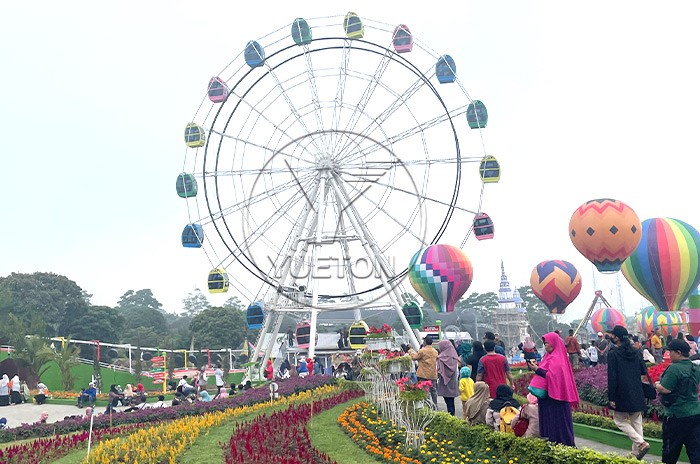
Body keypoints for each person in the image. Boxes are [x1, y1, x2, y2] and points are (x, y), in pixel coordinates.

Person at [606, 325, 651, 460]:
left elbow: (612, 376)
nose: (611, 337)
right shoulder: (636, 352)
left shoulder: (613, 353)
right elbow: (644, 371)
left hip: (622, 392)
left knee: (619, 420)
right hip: (637, 390)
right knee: (636, 421)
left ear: (617, 338)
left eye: (613, 335)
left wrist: (612, 396)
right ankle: (636, 454)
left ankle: (641, 443)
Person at [528, 332, 579, 446]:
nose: (545, 346)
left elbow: (552, 376)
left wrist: (537, 369)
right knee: (551, 422)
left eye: (547, 343)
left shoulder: (557, 359)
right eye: (544, 343)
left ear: (554, 343)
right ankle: (554, 442)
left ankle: (564, 444)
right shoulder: (548, 357)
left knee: (559, 422)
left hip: (557, 397)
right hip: (548, 397)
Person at [654, 339, 700, 464]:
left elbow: (666, 389)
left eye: (671, 352)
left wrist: (657, 385)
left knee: (671, 452)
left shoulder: (674, 368)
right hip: (695, 414)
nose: (669, 355)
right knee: (695, 451)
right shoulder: (695, 367)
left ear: (678, 353)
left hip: (676, 415)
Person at [408, 337, 438, 405]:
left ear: (425, 342)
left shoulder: (422, 351)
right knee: (433, 390)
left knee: (424, 390)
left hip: (423, 374)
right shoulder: (435, 351)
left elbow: (414, 357)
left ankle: (427, 405)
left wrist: (411, 351)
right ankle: (435, 405)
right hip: (433, 374)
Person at [436, 339, 460, 416]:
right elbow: (457, 371)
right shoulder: (455, 357)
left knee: (447, 402)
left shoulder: (440, 358)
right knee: (451, 401)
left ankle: (450, 416)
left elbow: (438, 370)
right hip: (453, 381)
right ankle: (452, 415)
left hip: (444, 382)